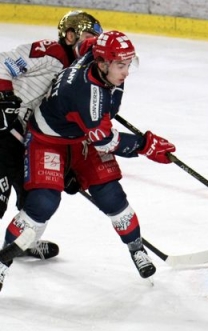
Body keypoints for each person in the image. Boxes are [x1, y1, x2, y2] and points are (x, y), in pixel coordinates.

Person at [0, 30, 176, 292]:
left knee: (111, 196)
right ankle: (2, 266)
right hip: (48, 140)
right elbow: (106, 140)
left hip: (82, 136)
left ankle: (137, 251)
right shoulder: (87, 95)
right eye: (120, 65)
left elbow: (85, 43)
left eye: (129, 64)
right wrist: (146, 145)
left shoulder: (95, 54)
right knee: (42, 204)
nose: (126, 72)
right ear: (103, 63)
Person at [0, 10, 103, 261]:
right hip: (4, 130)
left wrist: (69, 169)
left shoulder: (80, 75)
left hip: (27, 138)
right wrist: (3, 98)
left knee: (35, 197)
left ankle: (19, 244)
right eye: (88, 37)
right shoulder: (50, 53)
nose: (93, 45)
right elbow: (2, 62)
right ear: (70, 36)